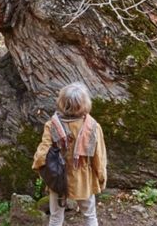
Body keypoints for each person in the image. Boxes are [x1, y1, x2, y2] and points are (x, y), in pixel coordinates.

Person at [32, 82, 107, 226]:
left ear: (62, 102)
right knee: (90, 216)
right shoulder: (92, 127)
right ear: (84, 103)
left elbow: (43, 152)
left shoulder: (52, 125)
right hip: (83, 179)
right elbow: (99, 156)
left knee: (55, 218)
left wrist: (39, 169)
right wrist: (101, 177)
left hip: (58, 178)